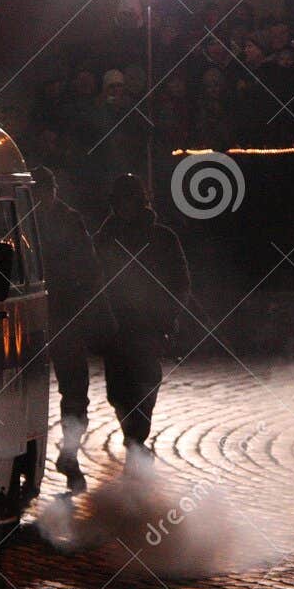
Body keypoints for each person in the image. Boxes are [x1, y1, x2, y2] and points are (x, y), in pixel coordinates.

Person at [93, 173, 190, 472]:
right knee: (118, 389)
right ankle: (131, 435)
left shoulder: (161, 237)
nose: (124, 206)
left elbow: (179, 281)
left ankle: (136, 438)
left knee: (145, 384)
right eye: (120, 200)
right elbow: (93, 279)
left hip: (148, 325)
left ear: (139, 201)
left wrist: (168, 315)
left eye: (129, 200)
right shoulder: (105, 237)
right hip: (115, 326)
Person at [31, 166, 107, 492]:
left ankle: (70, 452)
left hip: (62, 314)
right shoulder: (31, 219)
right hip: (40, 315)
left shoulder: (55, 220)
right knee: (58, 390)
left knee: (74, 391)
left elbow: (89, 269)